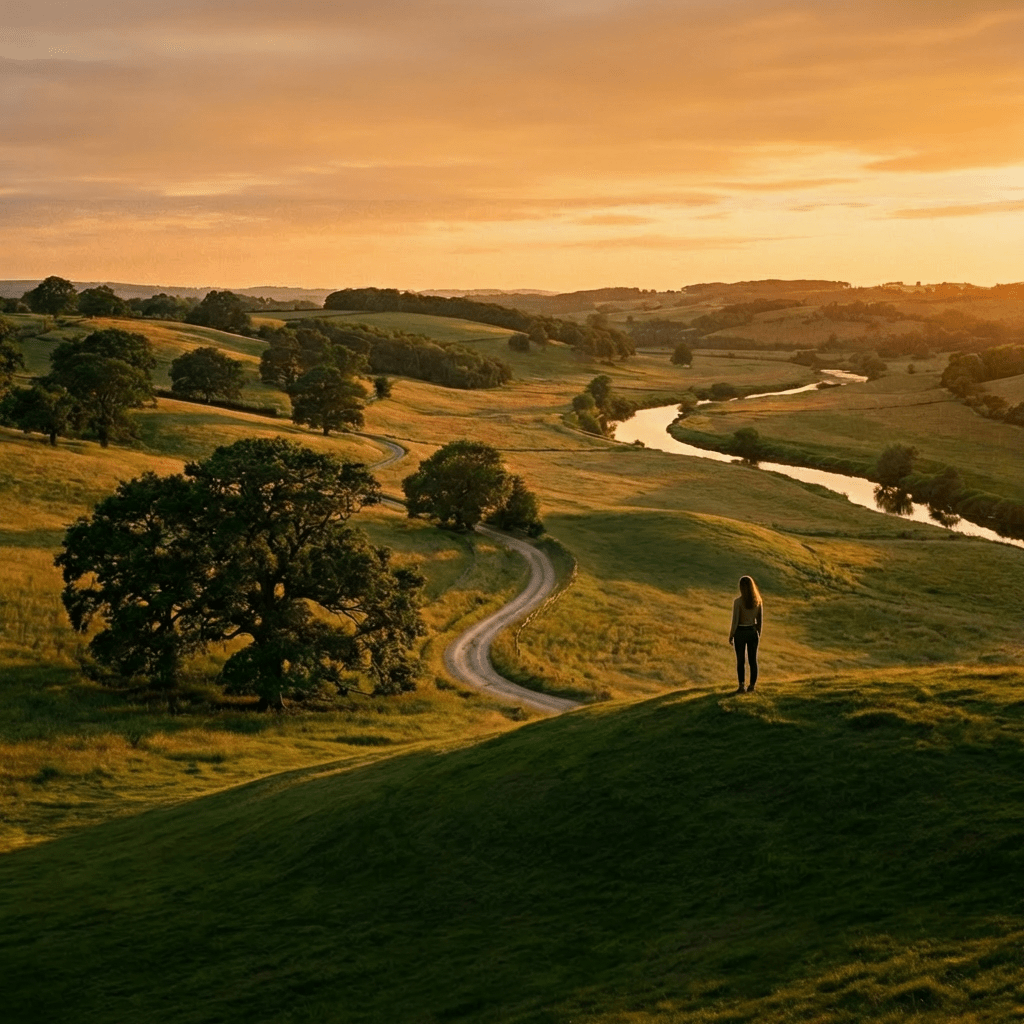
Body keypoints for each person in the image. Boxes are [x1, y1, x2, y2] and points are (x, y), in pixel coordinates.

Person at [728, 575, 762, 693]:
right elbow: (760, 621)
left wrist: (731, 634)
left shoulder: (738, 602)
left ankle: (741, 685)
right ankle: (752, 685)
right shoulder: (757, 601)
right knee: (753, 660)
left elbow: (735, 620)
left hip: (740, 632)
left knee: (741, 660)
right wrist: (758, 633)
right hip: (752, 631)